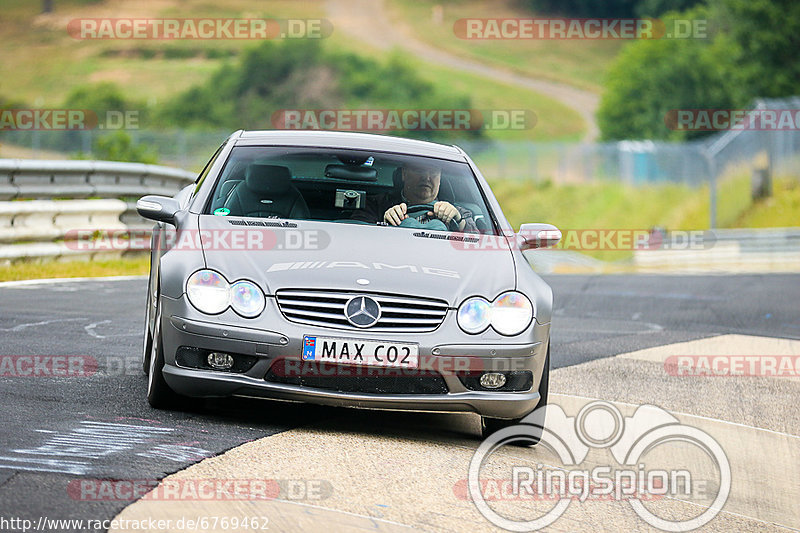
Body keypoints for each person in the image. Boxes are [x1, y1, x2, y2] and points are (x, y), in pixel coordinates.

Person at [352, 163, 478, 232]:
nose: (426, 178)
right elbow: (357, 235)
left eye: (433, 173)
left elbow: (478, 247)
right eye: (419, 170)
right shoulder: (376, 205)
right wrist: (382, 223)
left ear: (440, 180)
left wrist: (460, 222)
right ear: (404, 174)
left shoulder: (459, 212)